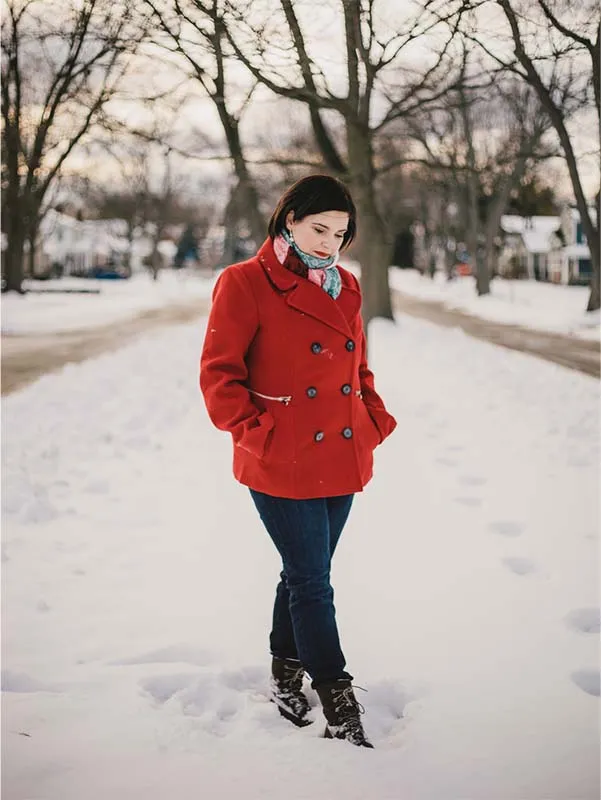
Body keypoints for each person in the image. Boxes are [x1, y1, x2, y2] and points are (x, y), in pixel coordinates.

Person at [199, 174, 396, 748]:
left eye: (340, 234)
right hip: (281, 459)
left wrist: (372, 419)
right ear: (289, 219)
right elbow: (219, 376)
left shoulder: (346, 286)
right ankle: (336, 695)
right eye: (319, 229)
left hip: (342, 452)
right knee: (313, 581)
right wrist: (258, 434)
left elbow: (358, 368)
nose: (330, 244)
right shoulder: (244, 282)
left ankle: (285, 672)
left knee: (304, 572)